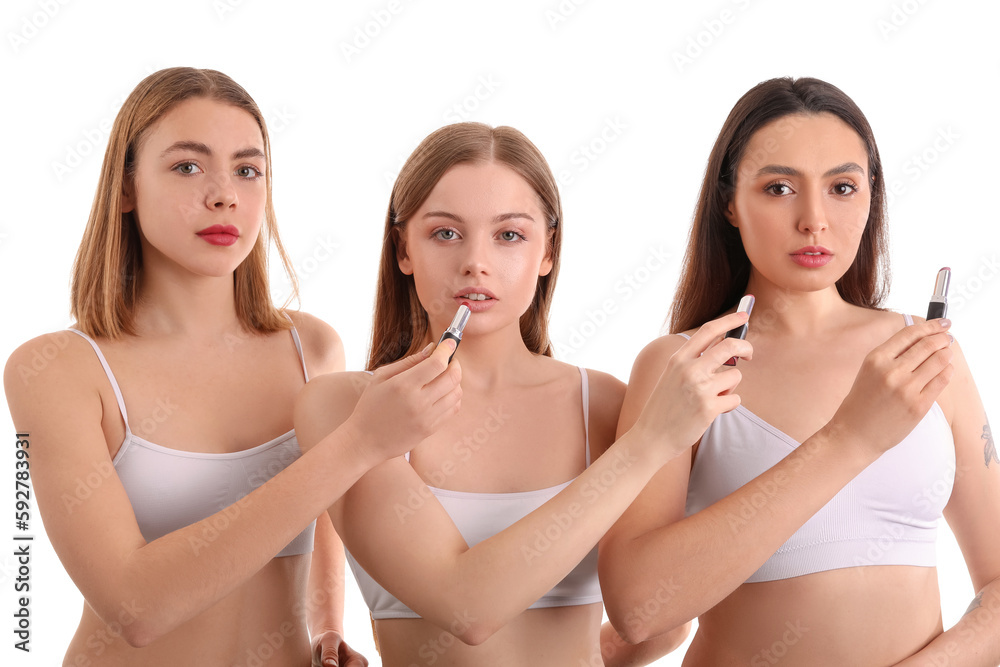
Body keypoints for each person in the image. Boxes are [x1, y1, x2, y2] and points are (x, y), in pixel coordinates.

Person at [3, 67, 461, 667]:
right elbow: (136, 605)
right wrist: (359, 443)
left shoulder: (312, 347)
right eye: (188, 167)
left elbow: (322, 517)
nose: (224, 194)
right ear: (125, 187)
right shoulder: (58, 369)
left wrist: (328, 625)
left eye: (247, 170)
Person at [292, 122, 763, 665]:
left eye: (509, 235)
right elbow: (468, 606)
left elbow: (660, 619)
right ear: (403, 249)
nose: (476, 261)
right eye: (445, 233)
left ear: (548, 252)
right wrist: (651, 441)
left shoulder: (605, 404)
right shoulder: (342, 409)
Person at [599, 77, 999, 666]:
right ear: (729, 203)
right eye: (780, 187)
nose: (814, 219)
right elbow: (639, 611)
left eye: (842, 187)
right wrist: (849, 439)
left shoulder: (926, 354)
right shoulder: (684, 364)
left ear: (871, 199)